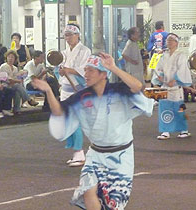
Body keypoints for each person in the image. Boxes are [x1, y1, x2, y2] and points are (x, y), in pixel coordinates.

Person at [31, 52, 154, 209]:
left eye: (90, 70)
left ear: (103, 74)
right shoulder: (82, 96)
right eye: (85, 70)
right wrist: (48, 91)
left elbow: (137, 86)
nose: (86, 74)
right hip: (95, 155)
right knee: (88, 191)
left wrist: (113, 67)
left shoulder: (119, 90)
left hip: (121, 157)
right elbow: (59, 112)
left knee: (112, 204)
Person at [59, 23, 91, 167]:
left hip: (78, 90)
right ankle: (77, 151)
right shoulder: (64, 52)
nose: (68, 38)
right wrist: (61, 71)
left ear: (77, 35)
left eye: (70, 35)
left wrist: (68, 70)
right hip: (65, 90)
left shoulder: (85, 51)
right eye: (66, 35)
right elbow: (61, 70)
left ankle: (79, 152)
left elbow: (85, 70)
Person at [152, 33, 192, 140]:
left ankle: (184, 130)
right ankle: (165, 130)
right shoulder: (163, 55)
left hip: (176, 87)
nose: (168, 42)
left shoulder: (181, 55)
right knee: (164, 107)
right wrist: (159, 77)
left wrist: (174, 80)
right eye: (168, 40)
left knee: (179, 108)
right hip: (165, 86)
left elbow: (182, 69)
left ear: (176, 43)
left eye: (171, 40)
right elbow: (159, 67)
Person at [0, 50, 38, 114]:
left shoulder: (15, 68)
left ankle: (16, 109)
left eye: (12, 57)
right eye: (9, 57)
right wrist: (17, 81)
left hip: (13, 85)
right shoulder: (3, 66)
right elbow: (7, 79)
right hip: (5, 85)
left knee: (17, 90)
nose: (10, 59)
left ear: (15, 59)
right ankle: (29, 100)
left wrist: (19, 77)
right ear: (6, 58)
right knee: (17, 86)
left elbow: (15, 78)